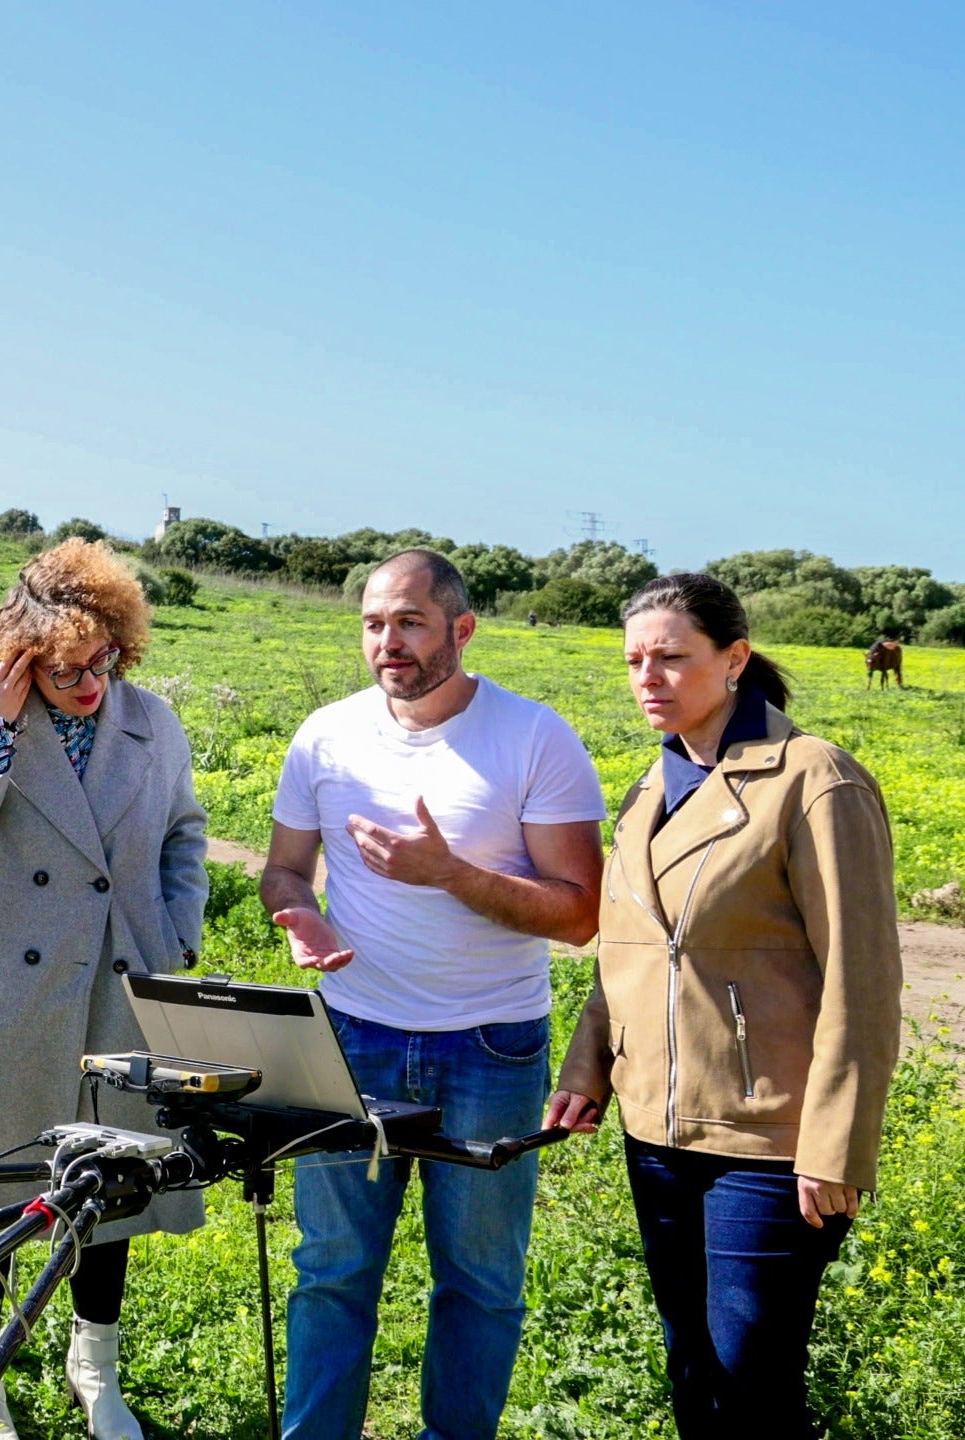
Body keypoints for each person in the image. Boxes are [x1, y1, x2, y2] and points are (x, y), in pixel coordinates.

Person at [261, 549, 606, 1440]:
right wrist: (299, 916)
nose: (389, 643)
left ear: (461, 629)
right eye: (375, 624)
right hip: (354, 1040)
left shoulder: (533, 737)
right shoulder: (325, 735)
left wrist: (447, 872)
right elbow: (284, 871)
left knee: (481, 1283)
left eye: (410, 622)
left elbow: (578, 916)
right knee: (332, 1270)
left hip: (490, 1048)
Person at [545, 574, 899, 1440]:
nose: (647, 677)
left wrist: (835, 1144)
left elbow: (865, 976)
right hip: (657, 1135)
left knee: (751, 1380)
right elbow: (625, 950)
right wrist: (587, 1068)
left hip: (772, 1143)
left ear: (735, 658)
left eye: (671, 656)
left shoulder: (814, 781)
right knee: (693, 1367)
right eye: (634, 660)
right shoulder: (646, 792)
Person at [0, 539, 209, 1440]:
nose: (89, 684)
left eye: (102, 660)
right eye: (64, 668)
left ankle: (97, 1371)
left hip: (120, 988)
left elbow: (185, 834)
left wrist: (173, 933)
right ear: (19, 655)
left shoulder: (151, 722)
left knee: (111, 1187)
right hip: (10, 996)